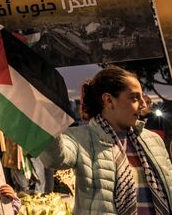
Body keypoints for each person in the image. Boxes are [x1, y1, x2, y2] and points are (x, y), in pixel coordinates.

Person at [40, 66, 172, 214]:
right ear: (109, 101)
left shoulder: (153, 140)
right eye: (134, 98)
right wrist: (47, 116)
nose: (142, 105)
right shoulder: (80, 137)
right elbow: (54, 159)